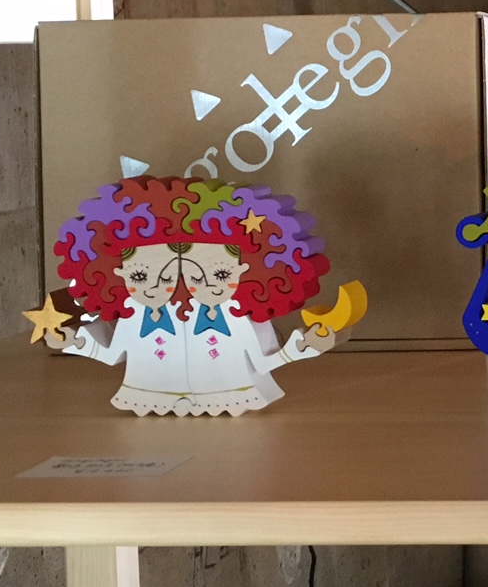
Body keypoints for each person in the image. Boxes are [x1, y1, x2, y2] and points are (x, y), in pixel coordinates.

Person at [44, 178, 335, 416]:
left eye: (220, 274)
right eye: (139, 276)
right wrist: (72, 342)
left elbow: (262, 362)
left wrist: (304, 346)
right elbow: (111, 355)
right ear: (116, 274)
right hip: (147, 398)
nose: (162, 286)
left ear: (246, 270)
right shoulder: (134, 317)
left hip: (230, 398)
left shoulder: (234, 318)